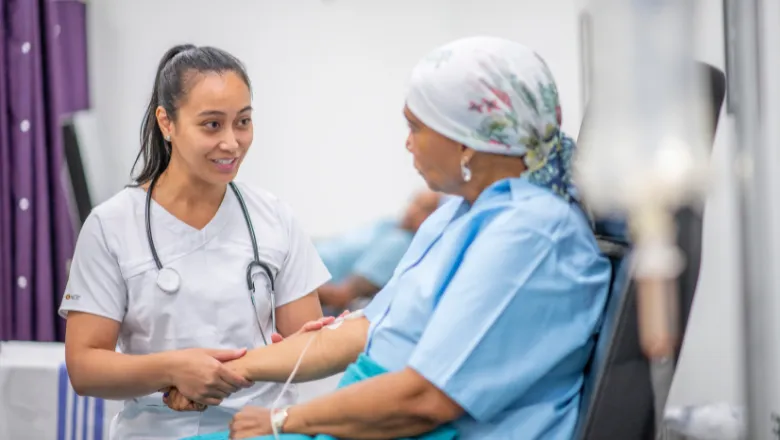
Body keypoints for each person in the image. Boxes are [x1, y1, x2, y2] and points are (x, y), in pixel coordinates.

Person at [166, 36, 612, 440]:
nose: (408, 145)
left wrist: (284, 421)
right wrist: (226, 371)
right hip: (379, 410)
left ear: (466, 141)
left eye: (416, 127)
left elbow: (425, 400)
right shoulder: (460, 210)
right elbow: (367, 330)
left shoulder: (531, 235)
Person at [58, 44, 335, 440]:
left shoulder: (274, 218)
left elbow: (306, 350)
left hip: (260, 430)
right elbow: (85, 368)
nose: (232, 142)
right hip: (158, 430)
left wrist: (327, 338)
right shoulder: (111, 225)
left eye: (243, 122)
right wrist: (172, 371)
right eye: (211, 125)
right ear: (166, 122)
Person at [315, 190, 441, 313]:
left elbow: (340, 297)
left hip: (309, 285)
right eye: (415, 202)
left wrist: (300, 282)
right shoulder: (387, 225)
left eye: (426, 209)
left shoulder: (399, 244)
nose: (414, 210)